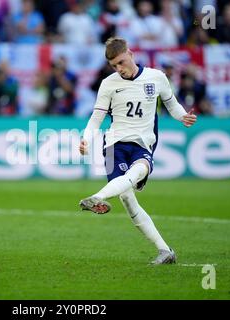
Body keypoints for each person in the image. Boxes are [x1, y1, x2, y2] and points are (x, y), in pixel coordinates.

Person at [78, 37, 197, 265]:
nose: (119, 69)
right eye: (114, 66)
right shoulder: (109, 84)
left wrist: (183, 116)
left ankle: (98, 197)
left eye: (122, 62)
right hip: (114, 144)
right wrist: (86, 140)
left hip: (143, 143)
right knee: (127, 198)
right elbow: (96, 119)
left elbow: (171, 104)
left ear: (130, 54)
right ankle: (165, 251)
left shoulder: (156, 77)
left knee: (136, 173)